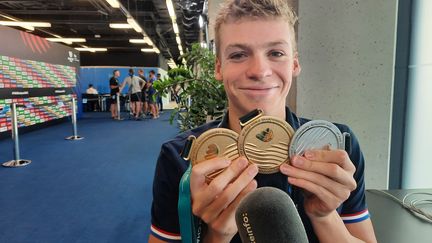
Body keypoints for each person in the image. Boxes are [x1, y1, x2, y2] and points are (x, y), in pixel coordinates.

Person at [149, 0, 377, 242]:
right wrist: (216, 235)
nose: (259, 70)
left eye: (276, 53)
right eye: (238, 55)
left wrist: (324, 216)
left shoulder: (337, 149)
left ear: (295, 63)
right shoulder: (180, 159)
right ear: (218, 68)